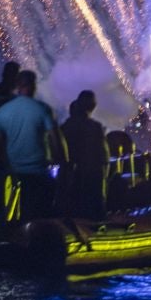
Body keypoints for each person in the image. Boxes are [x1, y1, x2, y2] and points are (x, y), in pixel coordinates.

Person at [0, 69, 62, 219]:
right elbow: (54, 139)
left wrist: (1, 160)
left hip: (13, 172)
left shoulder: (2, 111)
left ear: (17, 86)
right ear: (33, 86)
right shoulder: (43, 109)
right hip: (38, 172)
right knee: (39, 214)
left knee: (14, 214)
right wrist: (58, 160)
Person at [59, 90, 108, 219]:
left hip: (72, 176)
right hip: (93, 176)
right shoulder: (96, 127)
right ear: (92, 106)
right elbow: (104, 155)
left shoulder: (65, 126)